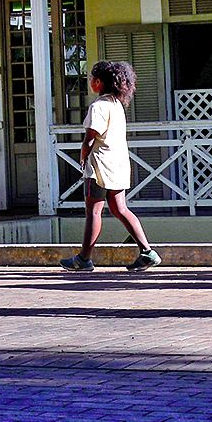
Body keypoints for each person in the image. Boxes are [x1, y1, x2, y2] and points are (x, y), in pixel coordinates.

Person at [59, 59, 161, 273]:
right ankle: (147, 252)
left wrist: (82, 156)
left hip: (99, 167)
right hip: (118, 164)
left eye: (92, 80)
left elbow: (90, 138)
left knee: (94, 212)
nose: (90, 83)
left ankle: (84, 259)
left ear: (99, 82)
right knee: (119, 208)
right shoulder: (116, 104)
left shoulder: (99, 106)